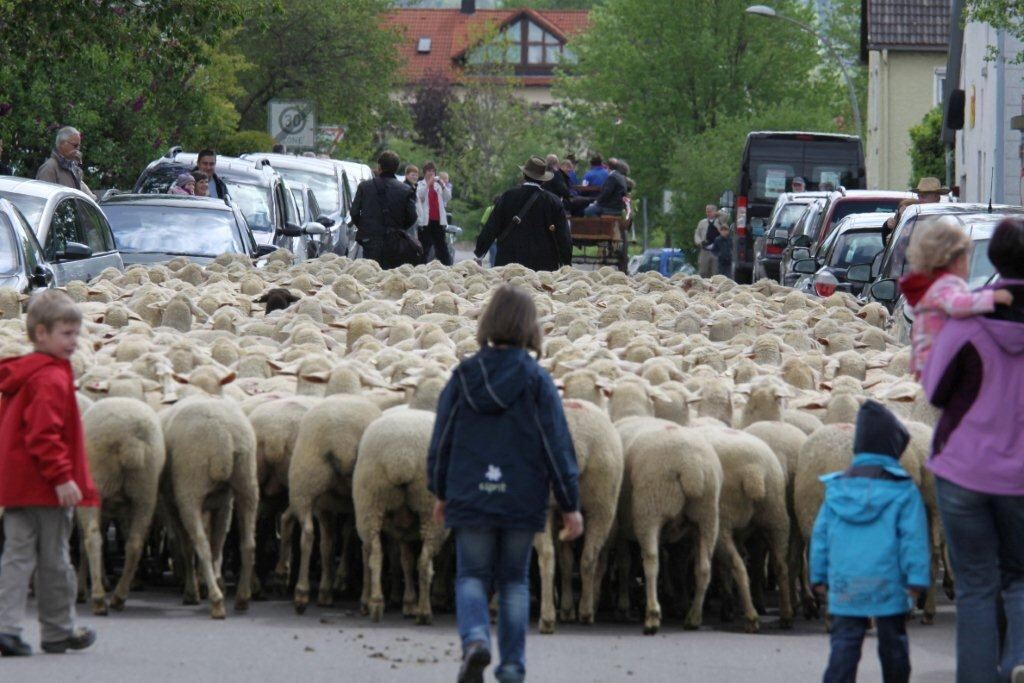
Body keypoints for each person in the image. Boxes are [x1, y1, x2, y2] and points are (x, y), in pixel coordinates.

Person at [427, 284, 582, 683]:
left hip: (470, 490)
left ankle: (476, 639)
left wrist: (440, 490)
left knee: (471, 576)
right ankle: (511, 668)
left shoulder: (464, 375)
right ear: (530, 328)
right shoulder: (537, 381)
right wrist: (569, 503)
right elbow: (556, 443)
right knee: (514, 581)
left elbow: (442, 437)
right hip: (521, 494)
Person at [920, 218, 1024, 683]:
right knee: (1021, 579)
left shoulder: (967, 322)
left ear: (993, 261)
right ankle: (1017, 663)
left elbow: (936, 391)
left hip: (963, 469)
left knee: (977, 587)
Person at [0, 290, 99, 657]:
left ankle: (6, 627)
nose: (74, 342)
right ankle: (58, 630)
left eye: (76, 334)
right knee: (55, 558)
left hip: (15, 484)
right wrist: (62, 476)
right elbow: (44, 434)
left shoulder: (23, 374)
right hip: (45, 486)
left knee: (16, 556)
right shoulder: (50, 379)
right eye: (67, 334)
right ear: (41, 333)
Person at [811, 400, 930, 683]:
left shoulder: (836, 488)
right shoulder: (903, 490)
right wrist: (917, 579)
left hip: (845, 583)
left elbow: (821, 535)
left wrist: (817, 574)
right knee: (894, 645)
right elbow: (914, 538)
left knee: (844, 644)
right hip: (888, 582)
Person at [898, 216, 1013, 377]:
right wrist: (992, 298)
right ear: (956, 261)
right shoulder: (946, 285)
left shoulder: (934, 286)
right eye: (967, 256)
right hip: (940, 361)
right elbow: (956, 304)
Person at [474, 157, 571, 272]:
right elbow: (563, 235)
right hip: (544, 264)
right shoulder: (553, 201)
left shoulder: (507, 196)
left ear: (524, 175)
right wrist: (566, 263)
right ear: (543, 180)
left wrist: (479, 253)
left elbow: (491, 227)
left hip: (509, 261)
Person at [349, 150, 418, 268]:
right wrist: (399, 228)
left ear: (379, 167)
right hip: (394, 240)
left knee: (369, 273)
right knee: (389, 275)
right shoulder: (405, 190)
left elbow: (354, 212)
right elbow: (412, 216)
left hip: (370, 239)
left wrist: (365, 226)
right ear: (396, 168)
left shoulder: (365, 187)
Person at [35, 126, 94, 199]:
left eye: (79, 146)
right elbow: (43, 199)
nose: (78, 149)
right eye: (75, 145)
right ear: (62, 143)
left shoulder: (72, 167)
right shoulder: (49, 168)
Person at [415, 161, 453, 266]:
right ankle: (420, 267)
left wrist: (443, 185)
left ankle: (448, 267)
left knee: (442, 247)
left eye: (433, 171)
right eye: (428, 171)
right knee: (424, 247)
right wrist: (428, 184)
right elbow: (420, 196)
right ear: (424, 173)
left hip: (438, 220)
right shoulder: (420, 184)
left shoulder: (439, 185)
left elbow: (448, 197)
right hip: (426, 221)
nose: (431, 173)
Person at [694, 204, 718, 278]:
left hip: (716, 251)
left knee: (716, 273)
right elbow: (697, 234)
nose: (708, 213)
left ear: (715, 212)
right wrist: (700, 242)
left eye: (710, 211)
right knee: (702, 272)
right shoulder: (702, 223)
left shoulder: (719, 222)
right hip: (704, 250)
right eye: (707, 211)